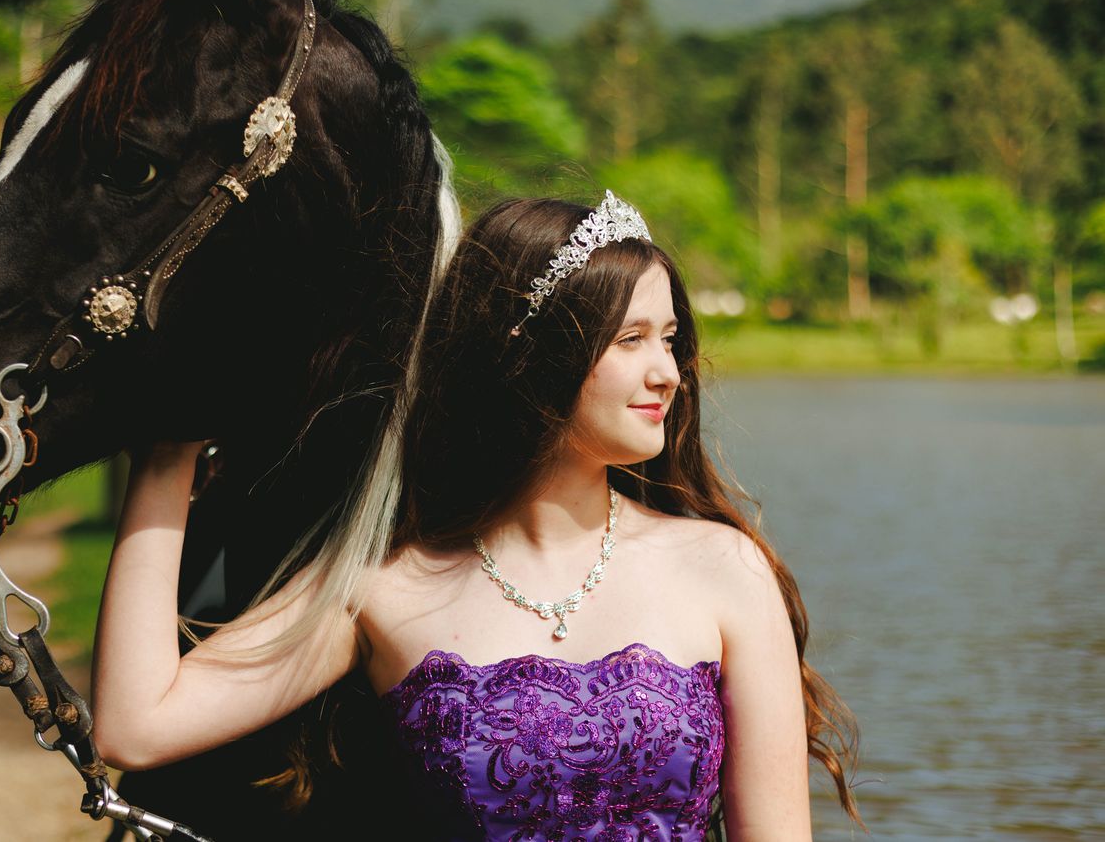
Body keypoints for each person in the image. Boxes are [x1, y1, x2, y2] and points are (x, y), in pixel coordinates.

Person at [92, 192, 861, 841]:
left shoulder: (723, 568)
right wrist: (167, 452)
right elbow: (135, 724)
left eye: (669, 339)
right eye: (631, 340)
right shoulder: (386, 586)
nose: (669, 372)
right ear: (529, 355)